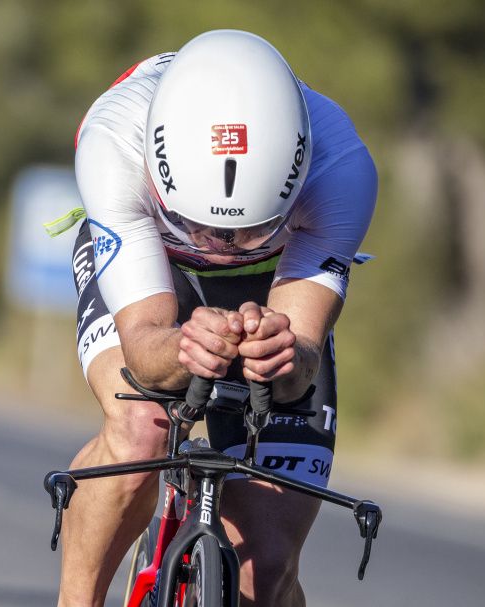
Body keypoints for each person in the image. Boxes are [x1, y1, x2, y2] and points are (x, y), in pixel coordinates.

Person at [57, 30, 377, 606]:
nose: (221, 245)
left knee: (268, 565)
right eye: (198, 224)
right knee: (140, 430)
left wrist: (282, 353)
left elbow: (299, 367)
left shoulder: (343, 171)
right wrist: (182, 344)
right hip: (153, 258)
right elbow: (144, 351)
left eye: (251, 228)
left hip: (276, 276)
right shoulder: (114, 144)